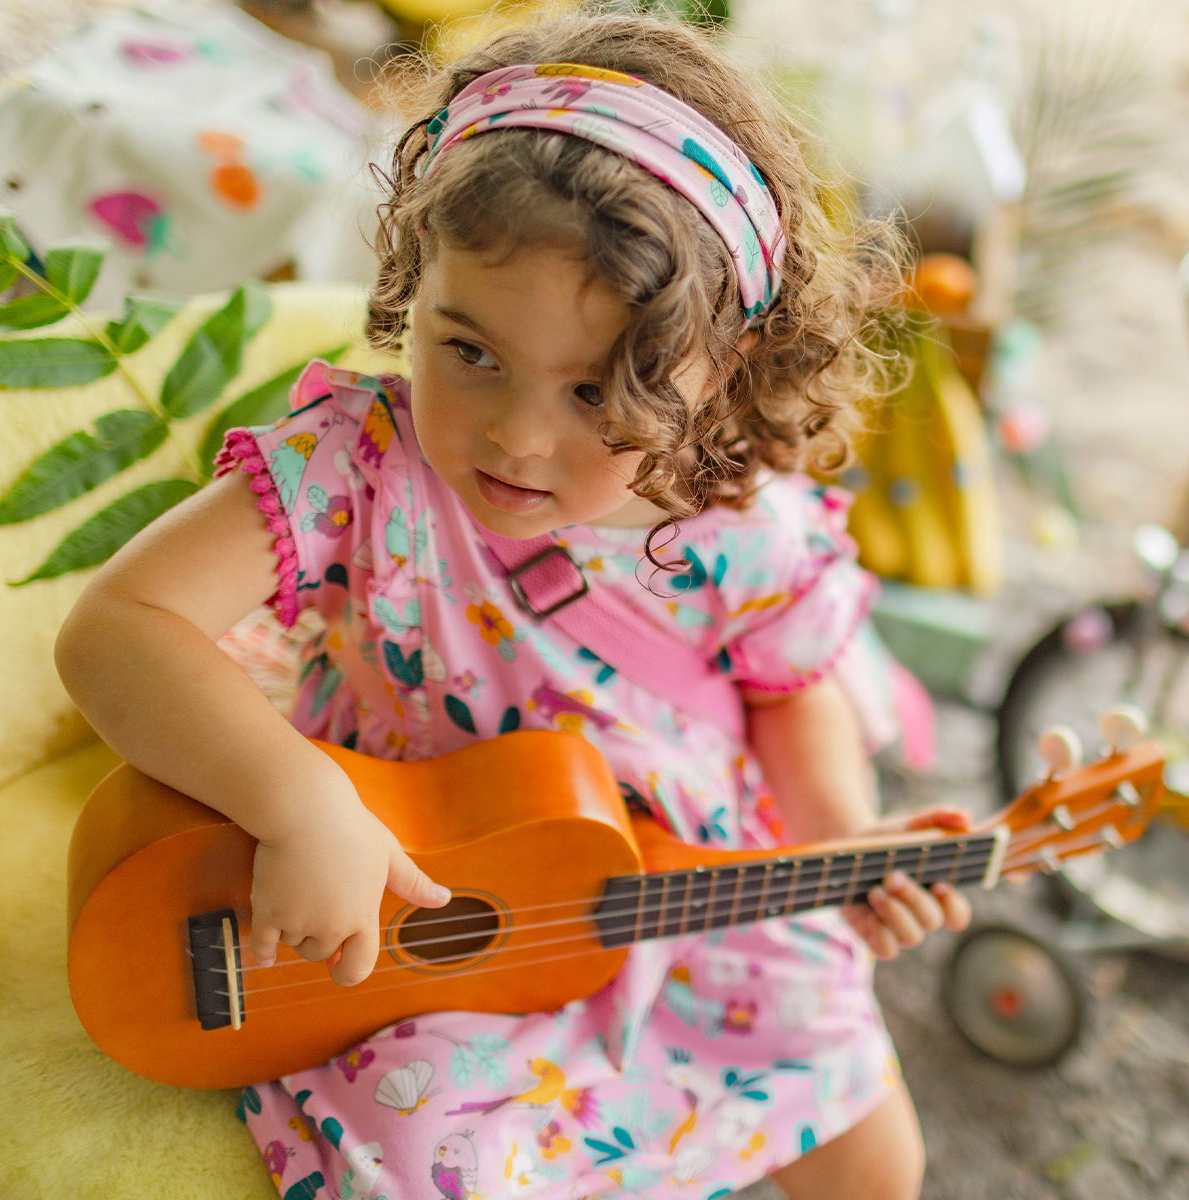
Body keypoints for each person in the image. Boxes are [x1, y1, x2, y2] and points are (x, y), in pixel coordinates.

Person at [56, 9, 973, 1199]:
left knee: (873, 1157)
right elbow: (117, 630)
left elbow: (794, 690)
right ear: (411, 281)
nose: (518, 439)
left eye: (599, 391)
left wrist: (836, 845)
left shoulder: (751, 523)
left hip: (686, 901)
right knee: (427, 1156)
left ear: (727, 364)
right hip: (421, 920)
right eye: (471, 351)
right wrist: (300, 804)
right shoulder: (363, 467)